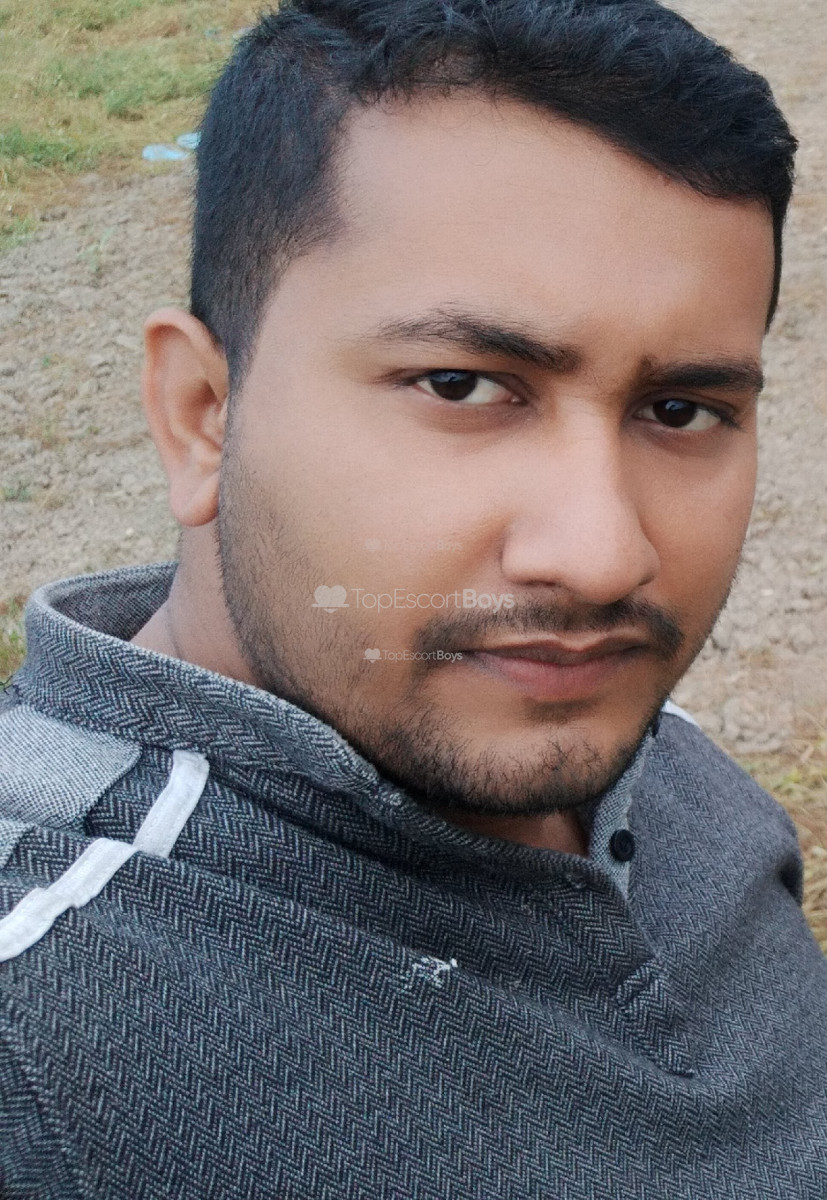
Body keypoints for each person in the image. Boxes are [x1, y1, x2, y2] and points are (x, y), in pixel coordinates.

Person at [1, 0, 824, 1195]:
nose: (602, 559)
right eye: (461, 385)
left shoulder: (653, 755)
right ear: (201, 414)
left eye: (680, 409)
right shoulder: (42, 1053)